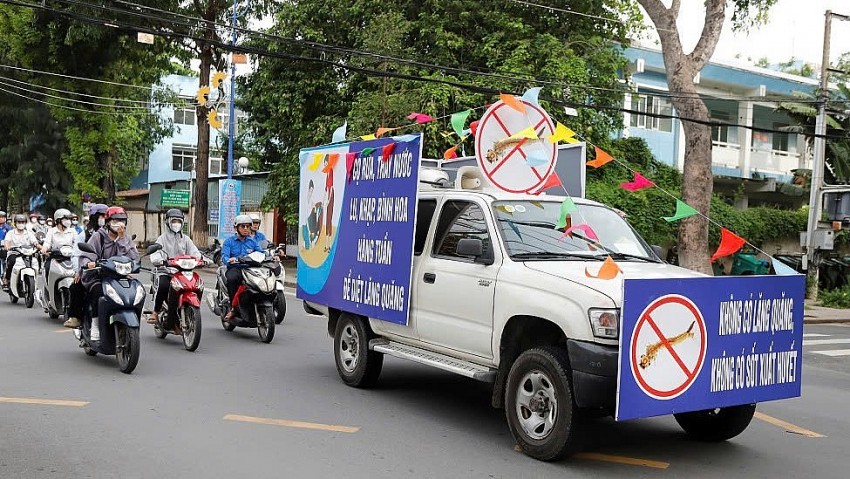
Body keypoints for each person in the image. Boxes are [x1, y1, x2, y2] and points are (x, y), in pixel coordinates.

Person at [79, 206, 138, 335]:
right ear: (108, 222)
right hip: (99, 275)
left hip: (121, 276)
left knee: (136, 290)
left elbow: (134, 257)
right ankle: (95, 325)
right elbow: (87, 255)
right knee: (97, 292)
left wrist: (122, 240)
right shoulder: (98, 237)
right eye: (115, 221)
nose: (119, 224)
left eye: (122, 221)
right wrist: (89, 263)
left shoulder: (127, 238)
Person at [147, 208, 202, 326]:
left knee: (197, 284)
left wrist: (201, 260)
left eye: (179, 221)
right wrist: (160, 260)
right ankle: (155, 312)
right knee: (163, 286)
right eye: (174, 221)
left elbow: (195, 253)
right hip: (166, 271)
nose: (176, 224)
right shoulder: (162, 239)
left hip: (183, 272)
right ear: (168, 222)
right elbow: (155, 253)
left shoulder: (186, 239)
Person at [64, 204, 108, 328]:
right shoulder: (84, 234)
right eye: (101, 216)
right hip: (90, 271)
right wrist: (79, 271)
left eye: (106, 216)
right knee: (76, 287)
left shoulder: (111, 233)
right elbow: (76, 254)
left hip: (110, 270)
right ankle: (76, 317)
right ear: (94, 217)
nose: (104, 219)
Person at [221, 214, 264, 322]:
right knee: (232, 279)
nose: (246, 229)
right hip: (235, 268)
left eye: (248, 226)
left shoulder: (252, 242)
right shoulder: (229, 242)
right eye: (243, 226)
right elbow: (224, 257)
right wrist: (229, 260)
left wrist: (272, 256)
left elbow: (261, 252)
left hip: (249, 269)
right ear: (236, 228)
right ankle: (234, 308)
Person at [3, 214, 38, 290]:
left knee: (34, 262)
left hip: (27, 254)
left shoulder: (29, 233)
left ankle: (34, 282)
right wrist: (7, 246)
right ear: (15, 223)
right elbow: (7, 241)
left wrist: (39, 246)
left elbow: (35, 242)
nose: (21, 224)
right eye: (19, 222)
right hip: (14, 253)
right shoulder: (11, 233)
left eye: (22, 222)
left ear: (25, 223)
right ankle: (7, 279)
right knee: (11, 261)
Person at [41, 208, 77, 279]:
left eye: (69, 219)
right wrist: (44, 248)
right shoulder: (51, 231)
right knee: (47, 268)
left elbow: (77, 243)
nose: (68, 221)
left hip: (70, 258)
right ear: (58, 220)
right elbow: (47, 243)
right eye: (65, 219)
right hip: (55, 258)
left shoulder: (72, 231)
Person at [0, 211, 11, 280]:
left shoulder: (8, 228)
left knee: (5, 262)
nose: (1, 219)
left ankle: (5, 275)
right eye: (0, 217)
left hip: (5, 248)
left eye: (3, 217)